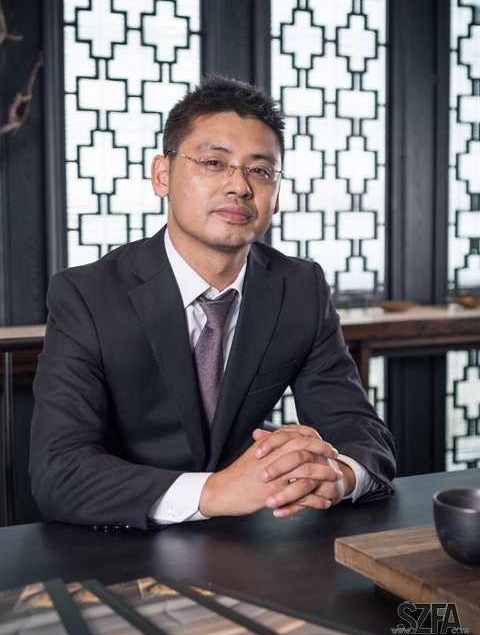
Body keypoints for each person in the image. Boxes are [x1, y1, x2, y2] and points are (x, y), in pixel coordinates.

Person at [29, 75, 396, 530]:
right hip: (120, 540)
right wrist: (215, 491)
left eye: (260, 171)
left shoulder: (301, 287)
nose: (239, 186)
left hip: (250, 540)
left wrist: (338, 476)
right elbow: (59, 472)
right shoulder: (87, 295)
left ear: (277, 195)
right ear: (162, 175)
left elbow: (359, 430)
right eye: (213, 162)